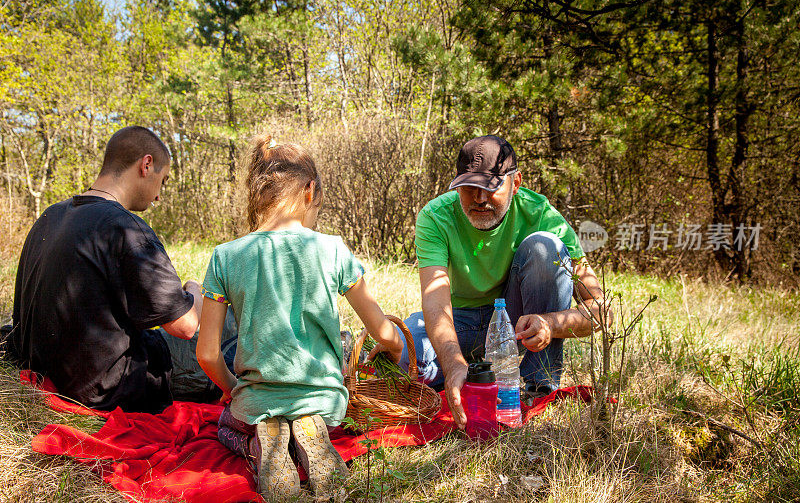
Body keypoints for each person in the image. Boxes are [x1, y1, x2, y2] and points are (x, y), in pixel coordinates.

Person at [196, 136, 404, 499]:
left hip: (258, 402)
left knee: (224, 427)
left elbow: (207, 354)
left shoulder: (225, 256)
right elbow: (383, 331)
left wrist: (234, 389)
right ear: (310, 190)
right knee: (317, 422)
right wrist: (396, 348)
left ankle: (264, 449)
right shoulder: (333, 249)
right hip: (327, 404)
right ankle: (307, 442)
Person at [9, 126, 231, 413]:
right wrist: (194, 290)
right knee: (233, 323)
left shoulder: (51, 215)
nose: (159, 196)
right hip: (109, 386)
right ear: (146, 165)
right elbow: (185, 326)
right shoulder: (126, 228)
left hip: (51, 370)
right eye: (162, 182)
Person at [398, 135, 610, 429]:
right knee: (399, 358)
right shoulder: (435, 217)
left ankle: (538, 387)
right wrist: (453, 363)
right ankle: (470, 373)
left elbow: (600, 310)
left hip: (515, 325)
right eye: (469, 187)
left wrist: (550, 323)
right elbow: (435, 303)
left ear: (516, 182)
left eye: (491, 187)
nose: (480, 198)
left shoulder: (543, 215)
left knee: (544, 247)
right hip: (459, 323)